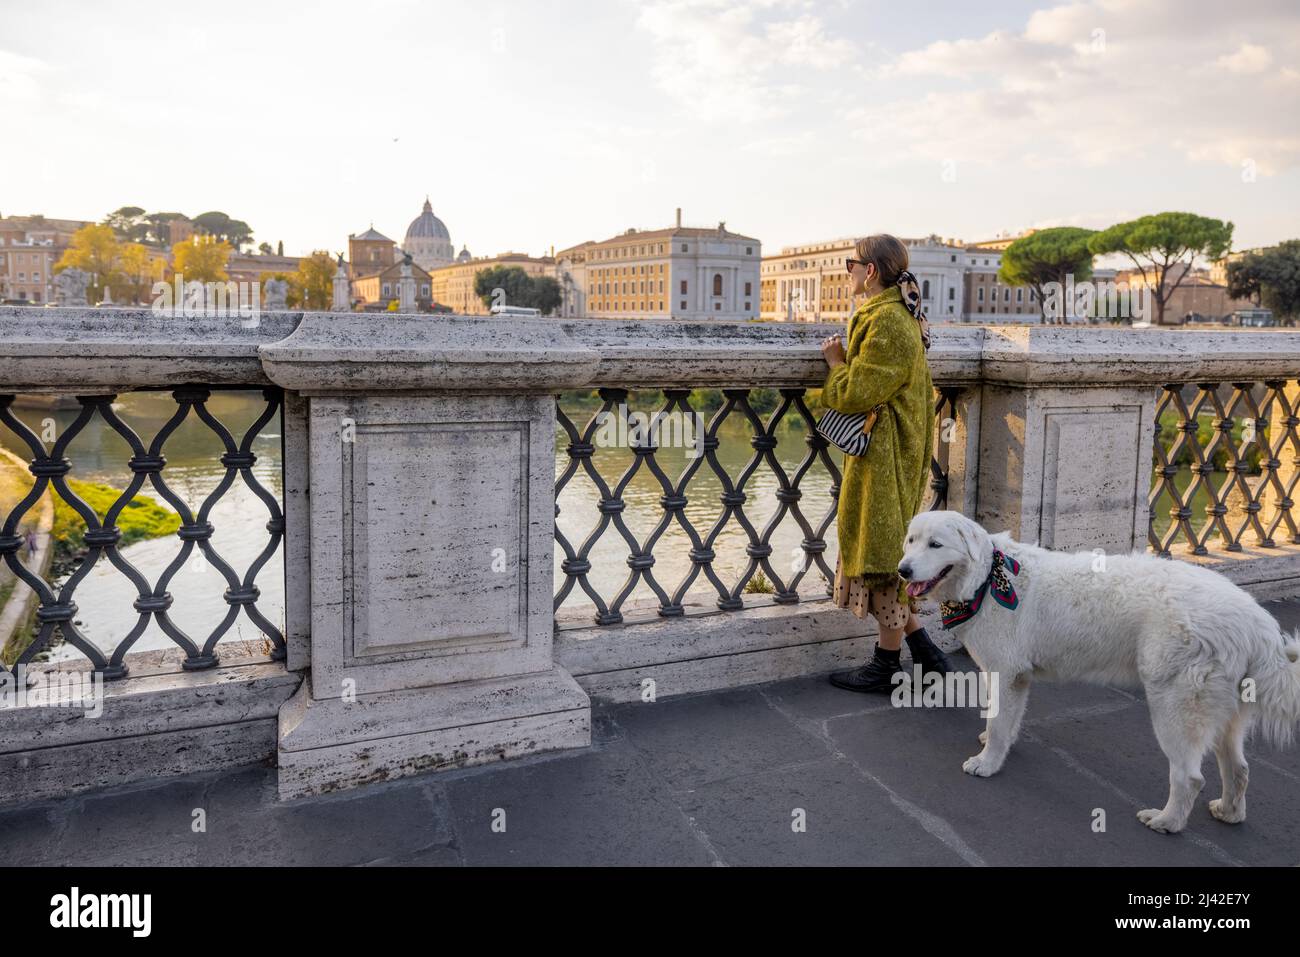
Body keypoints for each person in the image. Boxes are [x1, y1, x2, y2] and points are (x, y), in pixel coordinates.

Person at [819, 234, 953, 692]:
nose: (848, 273)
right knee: (884, 549)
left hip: (887, 452)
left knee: (884, 557)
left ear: (870, 270)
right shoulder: (892, 315)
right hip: (889, 448)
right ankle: (926, 652)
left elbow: (857, 392)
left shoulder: (889, 323)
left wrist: (836, 365)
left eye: (850, 264)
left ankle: (886, 664)